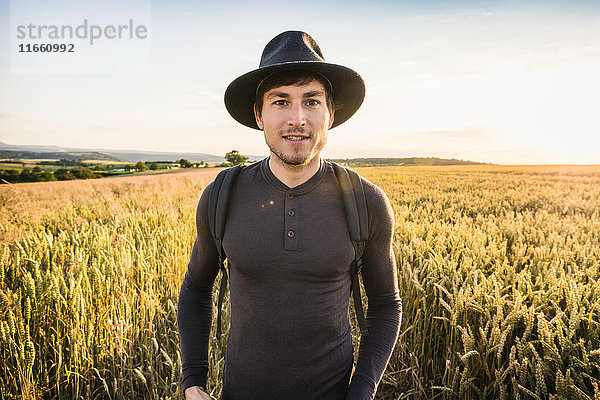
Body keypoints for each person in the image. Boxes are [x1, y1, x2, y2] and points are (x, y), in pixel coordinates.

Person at [177, 30, 402, 400]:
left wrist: (361, 392)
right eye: (280, 101)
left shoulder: (366, 201)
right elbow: (196, 288)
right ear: (258, 114)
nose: (297, 119)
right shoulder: (222, 194)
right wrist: (193, 382)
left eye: (311, 101)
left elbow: (385, 305)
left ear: (331, 113)